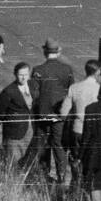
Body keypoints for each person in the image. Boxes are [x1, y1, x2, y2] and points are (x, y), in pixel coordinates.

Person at [29, 39, 75, 185]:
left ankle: (44, 174)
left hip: (43, 113)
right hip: (60, 114)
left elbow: (34, 93)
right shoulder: (67, 70)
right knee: (58, 144)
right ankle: (61, 176)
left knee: (43, 143)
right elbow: (71, 91)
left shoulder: (38, 70)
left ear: (44, 52)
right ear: (59, 52)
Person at [59, 59, 101, 186]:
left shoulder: (74, 87)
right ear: (98, 72)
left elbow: (63, 113)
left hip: (77, 129)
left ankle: (75, 185)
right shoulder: (99, 90)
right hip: (93, 132)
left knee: (76, 160)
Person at [0, 62, 38, 169]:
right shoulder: (8, 91)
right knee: (13, 163)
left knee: (27, 162)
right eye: (20, 75)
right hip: (14, 134)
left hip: (30, 130)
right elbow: (0, 112)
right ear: (15, 74)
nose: (23, 78)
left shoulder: (34, 86)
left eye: (26, 74)